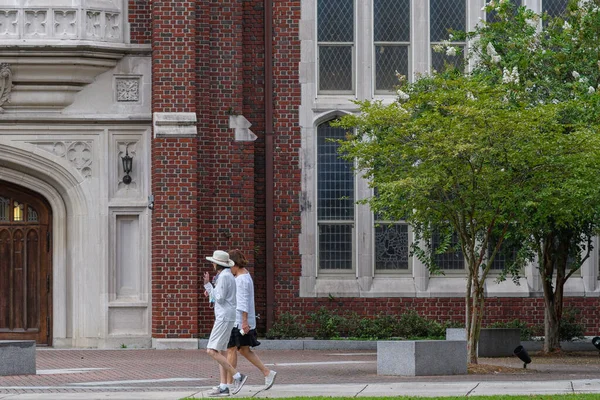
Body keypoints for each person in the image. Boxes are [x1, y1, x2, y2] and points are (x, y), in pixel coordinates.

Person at [226, 249, 277, 390]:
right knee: (243, 350)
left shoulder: (241, 279)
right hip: (240, 321)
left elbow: (243, 302)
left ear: (235, 264)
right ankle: (267, 373)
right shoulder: (244, 276)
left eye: (229, 265)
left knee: (231, 349)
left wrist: (244, 322)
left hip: (238, 321)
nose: (229, 269)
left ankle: (230, 384)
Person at [203, 250, 248, 397]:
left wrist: (209, 286)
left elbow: (220, 298)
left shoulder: (223, 277)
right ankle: (224, 386)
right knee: (220, 350)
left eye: (214, 262)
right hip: (227, 316)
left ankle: (237, 376)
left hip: (223, 317)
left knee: (211, 350)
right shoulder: (228, 276)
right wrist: (212, 289)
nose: (213, 264)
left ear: (218, 264)